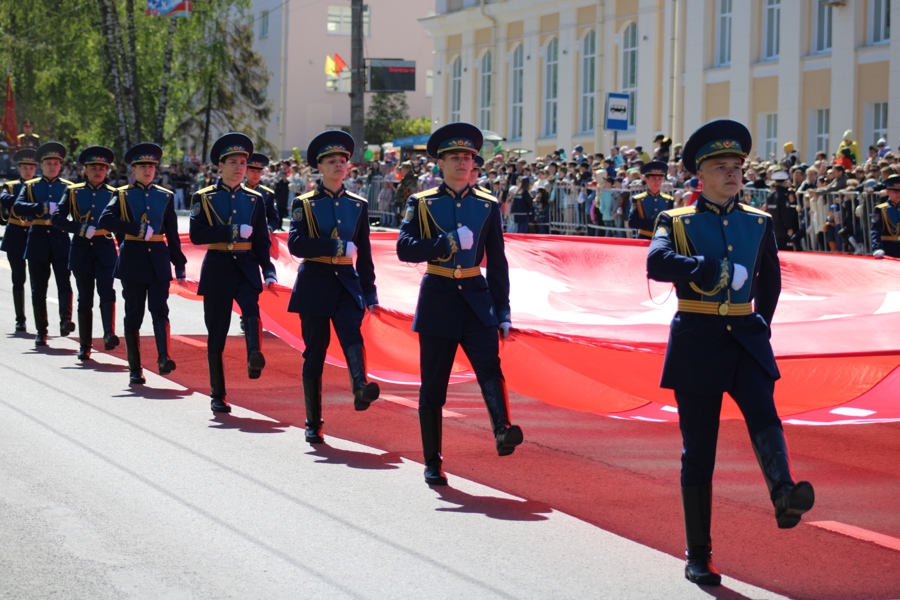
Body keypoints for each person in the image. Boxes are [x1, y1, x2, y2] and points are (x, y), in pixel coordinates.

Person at [646, 119, 814, 587]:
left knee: (765, 414)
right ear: (701, 174)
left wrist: (761, 324)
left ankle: (783, 493)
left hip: (745, 337)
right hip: (698, 339)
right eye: (722, 167)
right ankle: (698, 553)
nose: (733, 174)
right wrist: (700, 266)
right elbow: (656, 263)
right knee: (699, 451)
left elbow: (772, 280)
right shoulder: (675, 220)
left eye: (737, 166)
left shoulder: (758, 221)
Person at [396, 122, 522, 487]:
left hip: (476, 296)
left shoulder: (487, 205)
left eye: (468, 157)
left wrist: (503, 311)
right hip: (438, 296)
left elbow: (497, 262)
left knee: (489, 367)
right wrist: (446, 242)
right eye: (456, 157)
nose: (464, 163)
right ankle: (432, 461)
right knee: (433, 385)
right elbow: (405, 248)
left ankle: (502, 428)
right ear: (441, 164)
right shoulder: (421, 203)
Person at [287, 130, 379, 444]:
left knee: (352, 334)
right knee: (315, 352)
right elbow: (296, 244)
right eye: (332, 161)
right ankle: (314, 421)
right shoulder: (304, 203)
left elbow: (364, 252)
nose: (339, 165)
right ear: (320, 167)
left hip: (347, 284)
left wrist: (370, 292)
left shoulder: (358, 205)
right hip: (315, 283)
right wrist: (335, 248)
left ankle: (360, 385)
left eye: (342, 161)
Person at [189, 133, 277, 413]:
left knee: (251, 309)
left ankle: (255, 355)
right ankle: (218, 393)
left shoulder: (255, 199)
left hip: (246, 265)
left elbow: (262, 239)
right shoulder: (203, 197)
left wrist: (269, 269)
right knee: (217, 333)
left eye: (243, 163)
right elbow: (197, 234)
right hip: (217, 266)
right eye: (234, 163)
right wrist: (232, 231)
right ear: (220, 165)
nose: (240, 168)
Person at [98, 143, 186, 384]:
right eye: (143, 166)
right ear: (133, 170)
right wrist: (135, 228)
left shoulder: (165, 196)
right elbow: (105, 219)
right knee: (133, 314)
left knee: (160, 311)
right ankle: (135, 368)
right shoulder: (122, 194)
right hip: (133, 260)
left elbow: (173, 233)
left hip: (158, 260)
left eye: (151, 166)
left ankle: (164, 357)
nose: (148, 170)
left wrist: (179, 264)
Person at [51, 146, 120, 360]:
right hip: (81, 248)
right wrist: (80, 228)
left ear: (107, 171)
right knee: (85, 298)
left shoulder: (115, 194)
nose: (98, 171)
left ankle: (109, 333)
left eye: (102, 168)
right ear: (85, 170)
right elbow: (57, 219)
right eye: (93, 168)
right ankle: (85, 344)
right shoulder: (73, 192)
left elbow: (122, 221)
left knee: (107, 292)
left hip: (105, 247)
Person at [13, 142, 75, 346]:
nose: (52, 167)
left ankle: (66, 320)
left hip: (60, 239)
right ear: (41, 165)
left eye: (56, 163)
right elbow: (19, 207)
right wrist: (41, 207)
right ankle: (42, 330)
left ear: (61, 166)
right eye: (48, 163)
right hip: (38, 238)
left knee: (64, 284)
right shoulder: (31, 186)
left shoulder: (68, 187)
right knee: (38, 288)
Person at [0, 149, 39, 332]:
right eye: (25, 167)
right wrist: (22, 201)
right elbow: (4, 199)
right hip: (16, 232)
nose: (28, 171)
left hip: (34, 234)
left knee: (37, 280)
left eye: (31, 167)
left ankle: (40, 320)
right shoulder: (11, 185)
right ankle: (20, 318)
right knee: (18, 278)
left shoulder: (39, 186)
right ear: (19, 168)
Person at [628, 161, 673, 239]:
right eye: (653, 179)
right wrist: (654, 223)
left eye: (659, 179)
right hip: (644, 237)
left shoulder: (669, 200)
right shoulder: (638, 199)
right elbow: (632, 222)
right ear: (646, 179)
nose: (657, 182)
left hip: (662, 238)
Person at [245, 152, 280, 232]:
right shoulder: (238, 190)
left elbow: (274, 218)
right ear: (246, 171)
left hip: (260, 235)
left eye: (258, 172)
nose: (256, 174)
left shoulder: (268, 194)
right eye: (253, 171)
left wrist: (269, 228)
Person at [765, 171, 797, 251]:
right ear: (785, 182)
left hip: (773, 226)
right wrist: (789, 227)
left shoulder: (771, 195)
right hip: (783, 229)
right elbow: (785, 213)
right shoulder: (783, 195)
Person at [871, 174, 900, 259]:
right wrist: (877, 247)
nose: (898, 194)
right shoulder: (881, 209)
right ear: (888, 192)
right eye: (895, 191)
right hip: (888, 246)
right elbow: (875, 230)